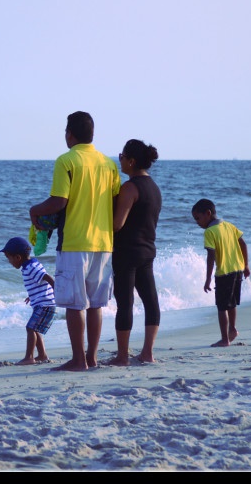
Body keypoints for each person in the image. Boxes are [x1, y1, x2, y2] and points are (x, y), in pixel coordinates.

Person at [29, 111, 121, 371]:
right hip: (103, 243)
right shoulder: (109, 164)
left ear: (69, 134)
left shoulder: (66, 161)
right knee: (95, 305)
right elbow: (114, 202)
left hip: (74, 243)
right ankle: (91, 357)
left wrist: (34, 210)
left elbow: (59, 201)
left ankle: (78, 359)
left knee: (74, 304)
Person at [109, 139, 162, 366]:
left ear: (131, 161)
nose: (119, 159)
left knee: (125, 303)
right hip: (147, 250)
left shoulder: (130, 187)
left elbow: (117, 224)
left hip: (127, 252)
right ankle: (147, 353)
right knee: (151, 301)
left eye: (121, 156)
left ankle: (122, 356)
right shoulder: (154, 187)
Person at [191, 199, 250, 347]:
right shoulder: (229, 225)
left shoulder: (210, 232)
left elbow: (211, 256)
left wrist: (207, 279)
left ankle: (225, 339)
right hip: (238, 270)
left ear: (208, 213)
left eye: (198, 218)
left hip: (224, 272)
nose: (197, 222)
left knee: (222, 307)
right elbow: (243, 244)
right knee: (232, 303)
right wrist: (246, 265)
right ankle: (233, 329)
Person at [0, 236, 56, 365]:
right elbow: (39, 281)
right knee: (34, 329)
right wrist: (32, 295)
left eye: (8, 258)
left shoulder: (31, 267)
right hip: (42, 303)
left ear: (18, 257)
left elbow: (46, 277)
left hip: (45, 304)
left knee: (30, 328)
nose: (9, 261)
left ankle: (29, 357)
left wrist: (56, 289)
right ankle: (42, 355)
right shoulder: (30, 266)